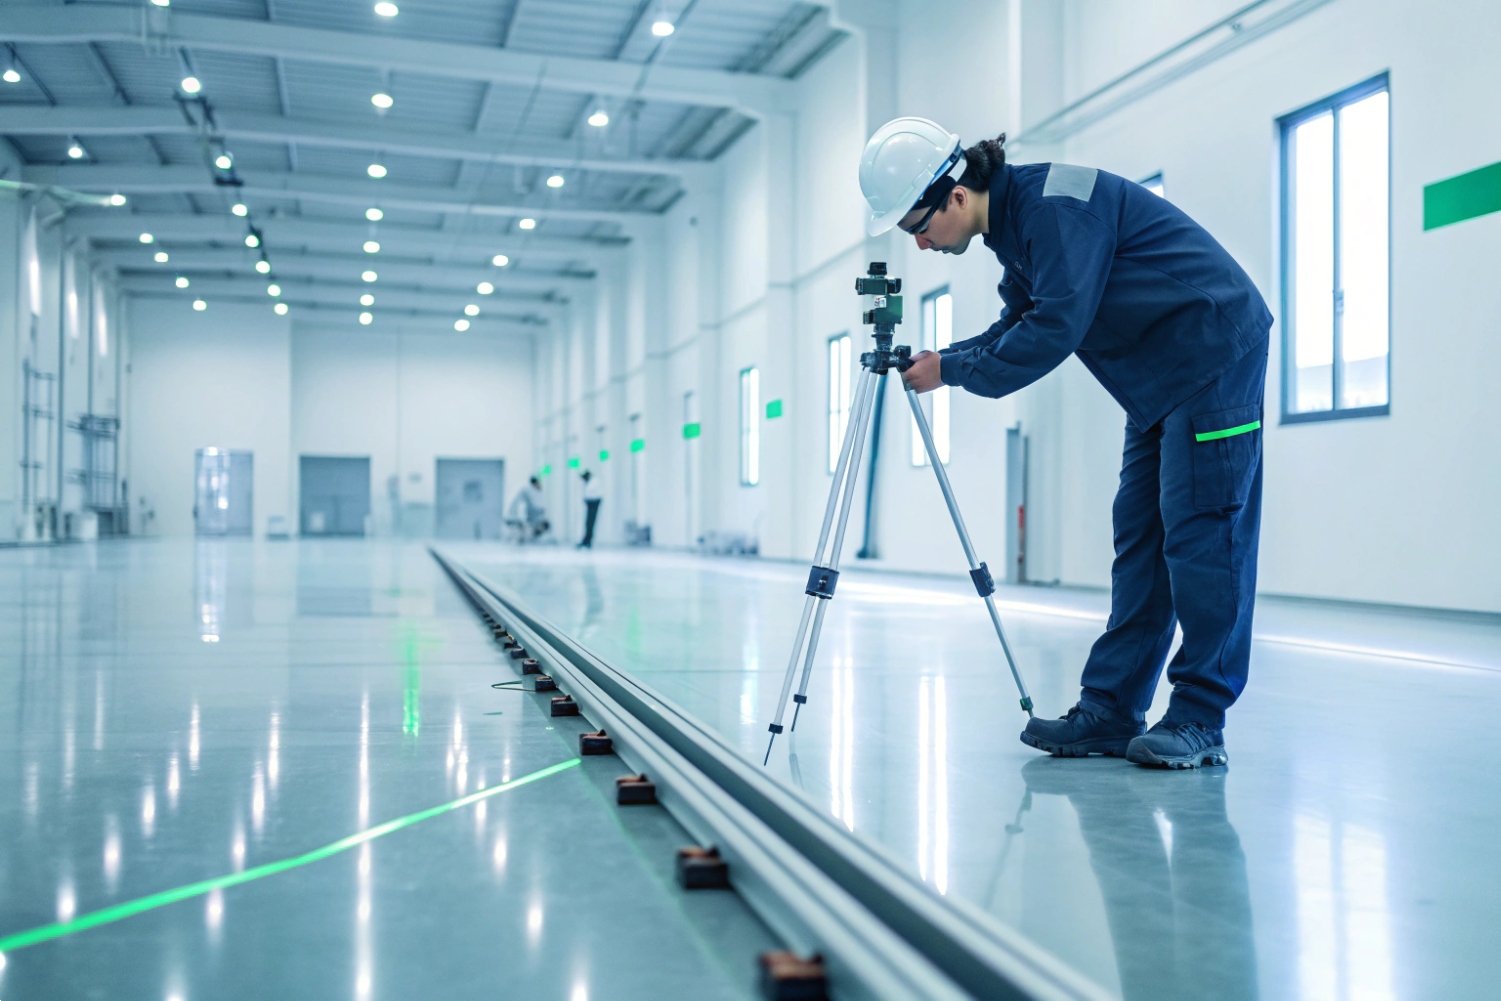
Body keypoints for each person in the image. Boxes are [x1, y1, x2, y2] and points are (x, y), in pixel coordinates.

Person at [859, 117, 1271, 769]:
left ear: (955, 197)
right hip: (1156, 376)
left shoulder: (1053, 208)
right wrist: (947, 358)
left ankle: (1199, 716)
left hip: (1210, 353)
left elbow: (1055, 326)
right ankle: (1110, 709)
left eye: (918, 228)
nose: (921, 245)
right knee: (1139, 539)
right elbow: (1020, 319)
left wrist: (956, 371)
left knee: (1202, 535)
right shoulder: (1015, 224)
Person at [507, 476, 548, 542]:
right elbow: (536, 505)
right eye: (539, 483)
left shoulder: (525, 488)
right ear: (535, 483)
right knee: (523, 530)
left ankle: (520, 538)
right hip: (515, 514)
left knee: (523, 530)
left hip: (513, 513)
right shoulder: (528, 489)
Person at [577, 469, 601, 549]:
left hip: (594, 504)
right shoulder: (588, 482)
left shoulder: (594, 481)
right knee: (588, 523)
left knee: (590, 523)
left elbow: (590, 492)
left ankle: (588, 541)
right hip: (590, 504)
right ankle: (586, 540)